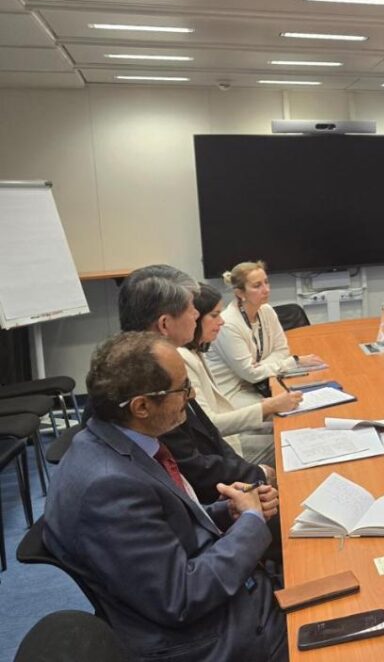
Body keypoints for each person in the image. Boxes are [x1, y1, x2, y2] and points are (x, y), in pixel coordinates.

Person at [43, 332, 288, 660]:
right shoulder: (108, 488)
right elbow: (183, 596)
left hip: (225, 600)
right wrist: (251, 520)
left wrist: (228, 511)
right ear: (141, 406)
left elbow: (165, 525)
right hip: (209, 640)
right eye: (182, 388)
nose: (191, 395)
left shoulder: (117, 442)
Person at [118, 264, 273, 500]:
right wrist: (256, 476)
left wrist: (251, 473)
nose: (196, 316)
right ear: (164, 324)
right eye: (192, 310)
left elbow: (209, 435)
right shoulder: (146, 377)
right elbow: (190, 465)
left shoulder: (163, 359)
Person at [181, 283, 301, 463]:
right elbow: (211, 424)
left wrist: (269, 407)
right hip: (219, 451)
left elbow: (281, 350)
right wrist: (268, 407)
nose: (221, 321)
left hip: (225, 437)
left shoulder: (194, 350)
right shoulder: (182, 358)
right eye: (214, 315)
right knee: (291, 443)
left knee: (288, 427)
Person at [206, 260, 323, 408]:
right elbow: (252, 375)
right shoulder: (228, 324)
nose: (266, 289)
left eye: (266, 282)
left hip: (260, 384)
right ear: (240, 293)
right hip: (231, 395)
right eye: (257, 286)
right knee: (292, 408)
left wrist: (260, 367)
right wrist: (294, 361)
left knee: (304, 399)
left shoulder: (267, 310)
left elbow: (282, 350)